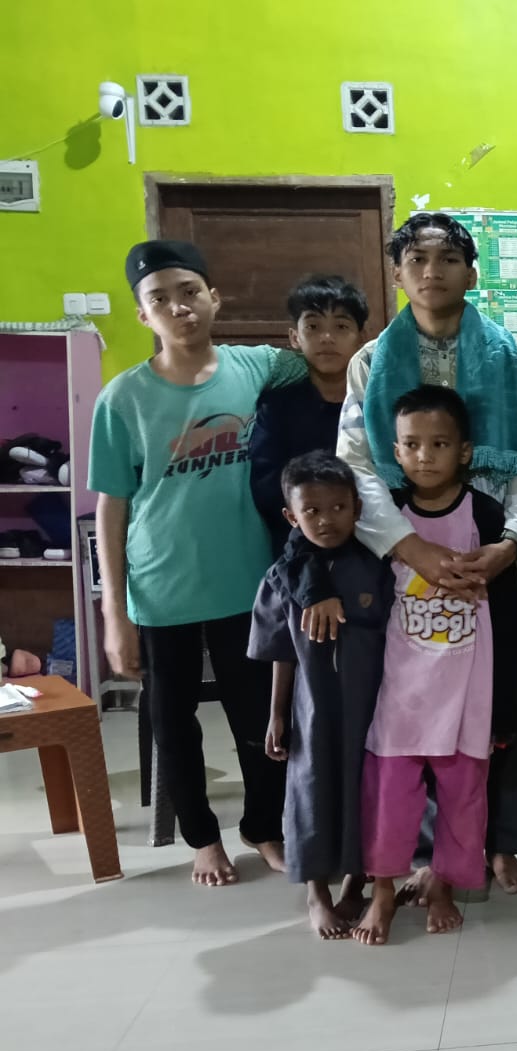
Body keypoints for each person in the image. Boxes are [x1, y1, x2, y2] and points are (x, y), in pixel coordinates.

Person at [337, 212, 517, 897]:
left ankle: (500, 846)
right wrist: (410, 546)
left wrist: (510, 542)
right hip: (405, 565)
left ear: (471, 272)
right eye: (417, 260)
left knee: (500, 707)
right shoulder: (370, 362)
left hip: (495, 563)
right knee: (410, 706)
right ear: (398, 275)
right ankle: (422, 852)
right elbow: (356, 465)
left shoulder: (510, 357)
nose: (432, 271)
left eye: (448, 258)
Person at [90, 240, 307, 887]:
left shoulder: (259, 366)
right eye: (160, 299)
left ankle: (263, 827)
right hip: (162, 589)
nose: (179, 308)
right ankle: (202, 838)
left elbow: (328, 361)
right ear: (143, 315)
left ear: (215, 298)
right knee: (173, 720)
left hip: (247, 584)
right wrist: (114, 613)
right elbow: (111, 508)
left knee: (260, 717)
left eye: (190, 292)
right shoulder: (122, 398)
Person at [354, 386, 517, 945]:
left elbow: (504, 616)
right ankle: (382, 891)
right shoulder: (386, 518)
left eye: (440, 444)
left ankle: (443, 885)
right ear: (395, 452)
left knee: (463, 799)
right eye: (412, 444)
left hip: (465, 694)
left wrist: (502, 704)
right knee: (389, 798)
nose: (424, 456)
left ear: (465, 451)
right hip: (400, 693)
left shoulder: (485, 516)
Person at [248, 452, 389, 938]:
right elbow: (281, 652)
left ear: (357, 509)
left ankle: (355, 883)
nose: (326, 520)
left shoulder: (376, 568)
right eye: (311, 510)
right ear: (291, 516)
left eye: (338, 508)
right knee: (310, 793)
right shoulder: (283, 578)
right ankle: (316, 894)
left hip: (370, 708)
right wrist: (277, 714)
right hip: (312, 712)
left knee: (365, 791)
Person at [249, 275, 369, 554]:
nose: (327, 338)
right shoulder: (276, 408)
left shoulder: (375, 404)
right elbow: (267, 488)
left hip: (371, 544)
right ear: (295, 337)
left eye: (341, 326)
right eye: (313, 327)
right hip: (298, 551)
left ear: (361, 338)